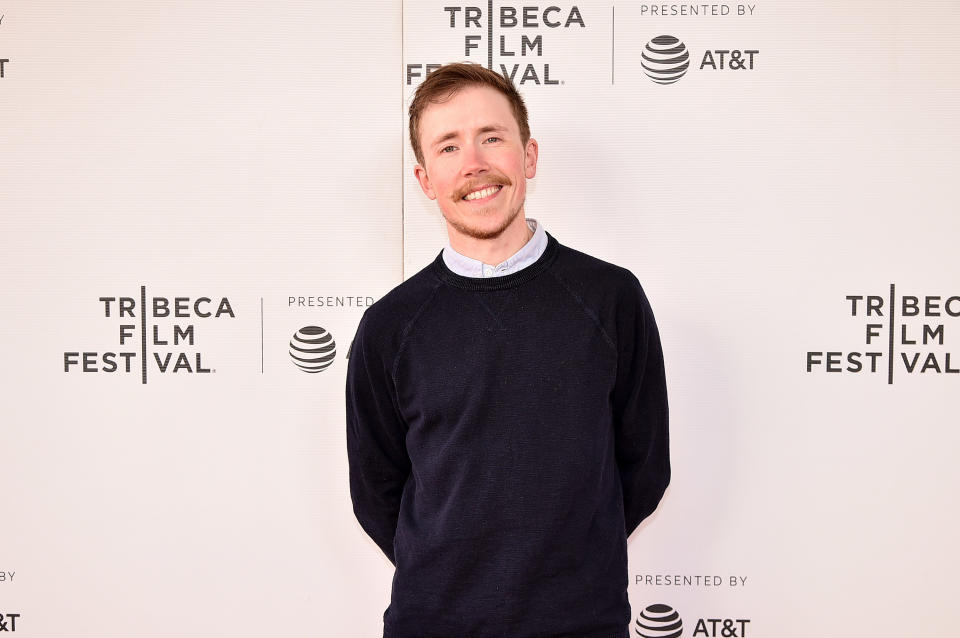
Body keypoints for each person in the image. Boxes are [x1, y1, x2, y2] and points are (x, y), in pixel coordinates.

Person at [346, 62, 670, 638]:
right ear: (425, 180)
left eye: (491, 137)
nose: (474, 163)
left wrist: (573, 569)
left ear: (529, 156)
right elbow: (377, 493)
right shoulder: (389, 327)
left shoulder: (610, 298)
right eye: (449, 147)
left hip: (582, 624)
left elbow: (644, 467)